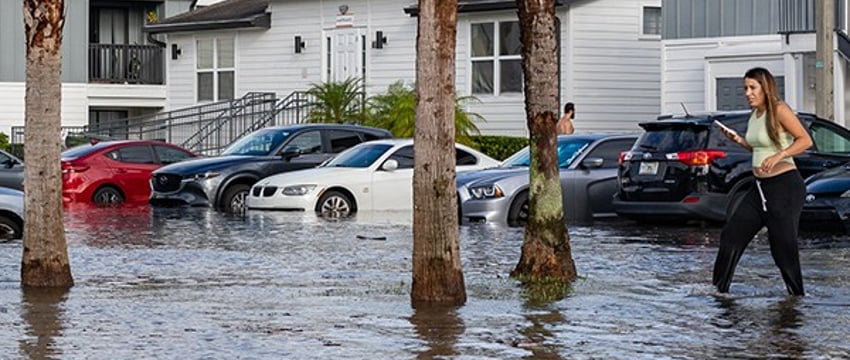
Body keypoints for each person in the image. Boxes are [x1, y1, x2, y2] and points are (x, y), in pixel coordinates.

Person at [712, 67, 812, 296]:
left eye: (752, 88)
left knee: (782, 246)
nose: (747, 93)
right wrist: (738, 139)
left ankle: (796, 297)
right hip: (759, 187)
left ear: (765, 88)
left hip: (784, 186)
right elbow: (758, 147)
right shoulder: (755, 114)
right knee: (731, 234)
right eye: (745, 88)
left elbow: (805, 140)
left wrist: (779, 155)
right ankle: (719, 291)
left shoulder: (779, 109)